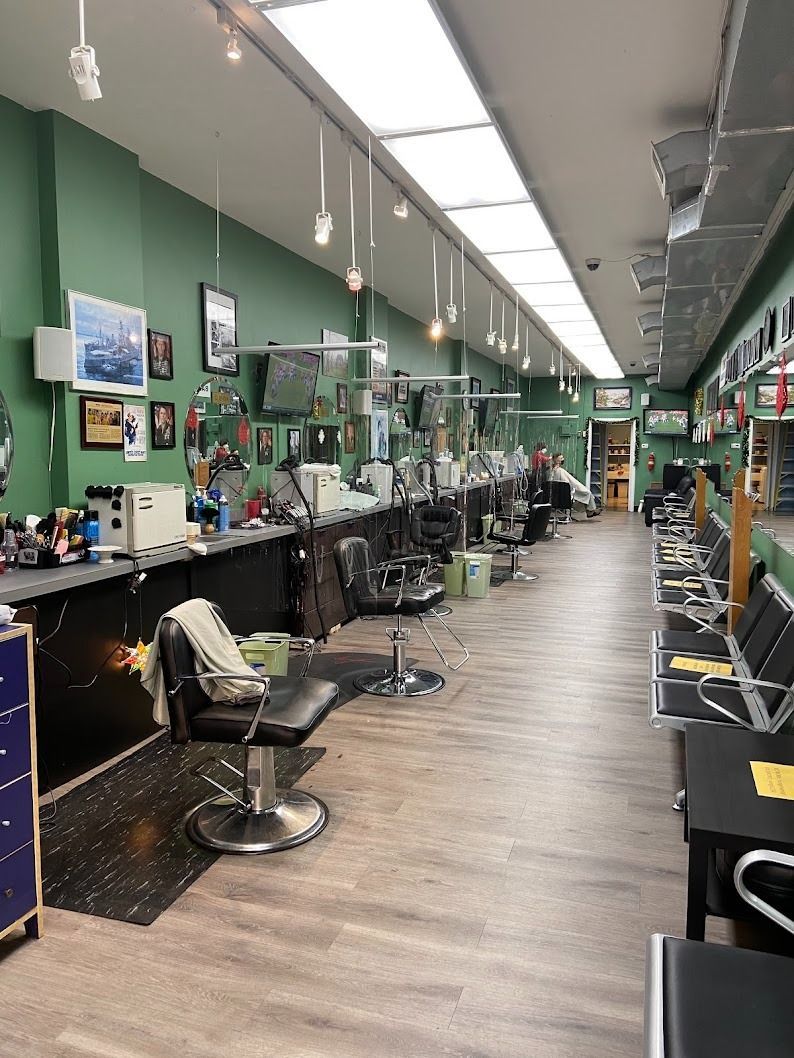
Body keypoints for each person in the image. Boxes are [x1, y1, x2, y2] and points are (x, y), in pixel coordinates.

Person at [550, 452, 601, 517]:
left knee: (585, 495)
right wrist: (575, 488)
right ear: (557, 460)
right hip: (567, 492)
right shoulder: (559, 471)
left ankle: (590, 510)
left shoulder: (555, 470)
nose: (563, 459)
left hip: (562, 492)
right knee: (587, 493)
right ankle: (591, 510)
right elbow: (566, 483)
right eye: (561, 458)